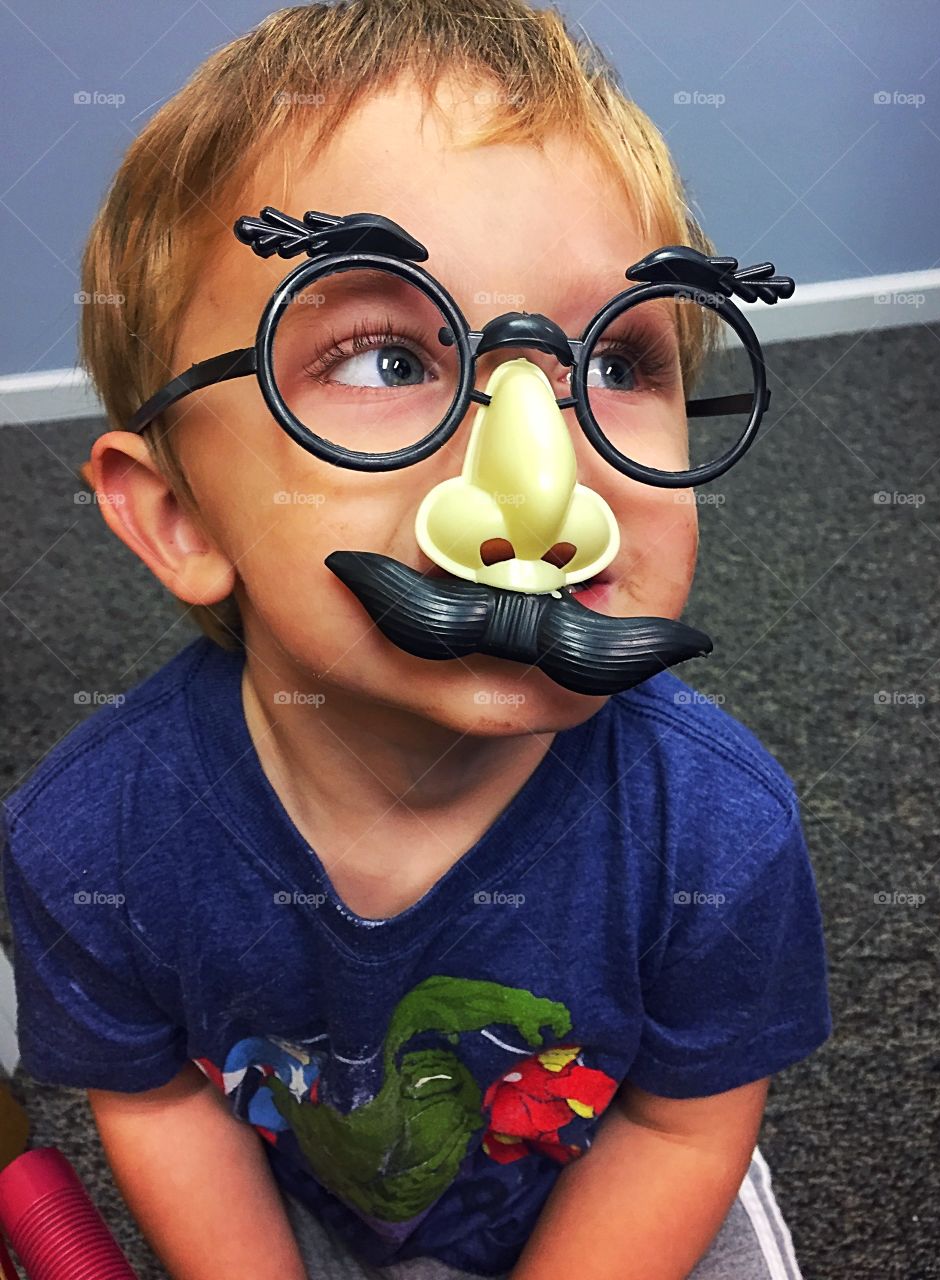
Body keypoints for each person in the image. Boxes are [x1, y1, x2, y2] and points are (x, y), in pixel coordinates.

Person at [1, 3, 830, 1278]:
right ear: (179, 516)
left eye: (619, 362)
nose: (539, 495)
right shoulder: (88, 842)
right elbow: (160, 1099)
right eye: (386, 360)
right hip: (316, 1199)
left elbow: (679, 1124)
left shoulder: (718, 833)